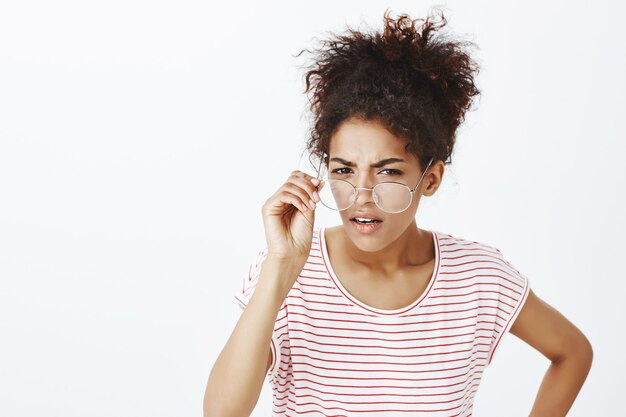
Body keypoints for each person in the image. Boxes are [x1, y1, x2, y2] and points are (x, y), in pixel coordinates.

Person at [204, 8, 593, 417]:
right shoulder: (285, 274)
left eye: (387, 171)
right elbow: (221, 413)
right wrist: (281, 268)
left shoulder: (479, 278)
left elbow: (571, 352)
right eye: (344, 170)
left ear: (430, 179)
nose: (362, 196)